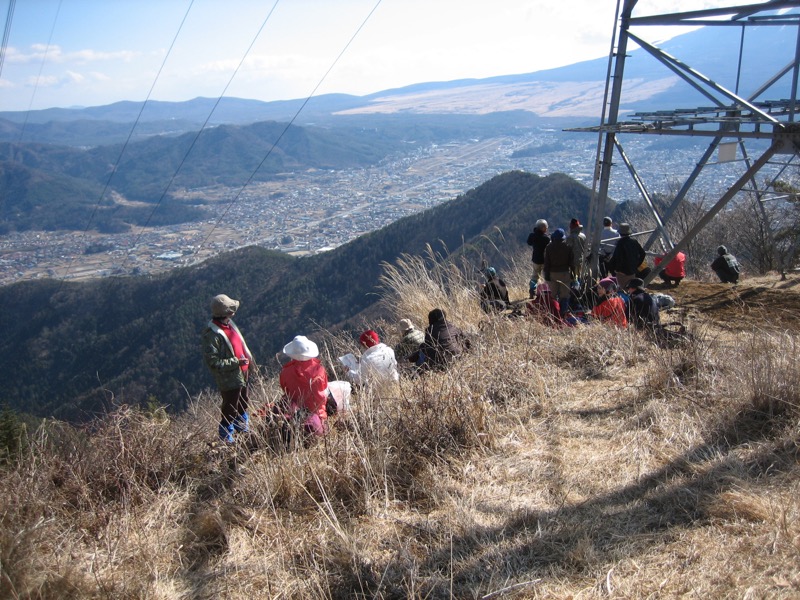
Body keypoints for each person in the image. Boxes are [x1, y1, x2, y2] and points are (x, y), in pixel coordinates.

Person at [201, 294, 255, 444]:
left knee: (243, 401)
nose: (233, 313)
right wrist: (235, 362)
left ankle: (242, 427)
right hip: (229, 378)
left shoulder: (229, 325)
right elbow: (213, 362)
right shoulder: (212, 335)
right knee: (230, 406)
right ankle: (226, 436)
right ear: (226, 313)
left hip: (242, 373)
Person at [279, 335, 329, 437]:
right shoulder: (319, 369)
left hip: (296, 410)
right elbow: (324, 391)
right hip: (317, 411)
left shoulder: (285, 372)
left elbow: (285, 390)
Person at [543, 228, 575, 311]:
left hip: (552, 273)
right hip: (565, 273)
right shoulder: (568, 247)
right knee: (564, 295)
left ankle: (553, 312)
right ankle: (563, 313)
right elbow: (572, 262)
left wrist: (546, 275)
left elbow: (547, 263)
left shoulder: (549, 247)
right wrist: (573, 273)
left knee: (552, 295)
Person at [608, 223, 646, 291]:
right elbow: (643, 253)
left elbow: (617, 258)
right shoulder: (634, 242)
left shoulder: (620, 243)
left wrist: (614, 270)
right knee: (631, 290)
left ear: (620, 233)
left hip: (622, 273)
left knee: (622, 291)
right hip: (632, 272)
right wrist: (636, 265)